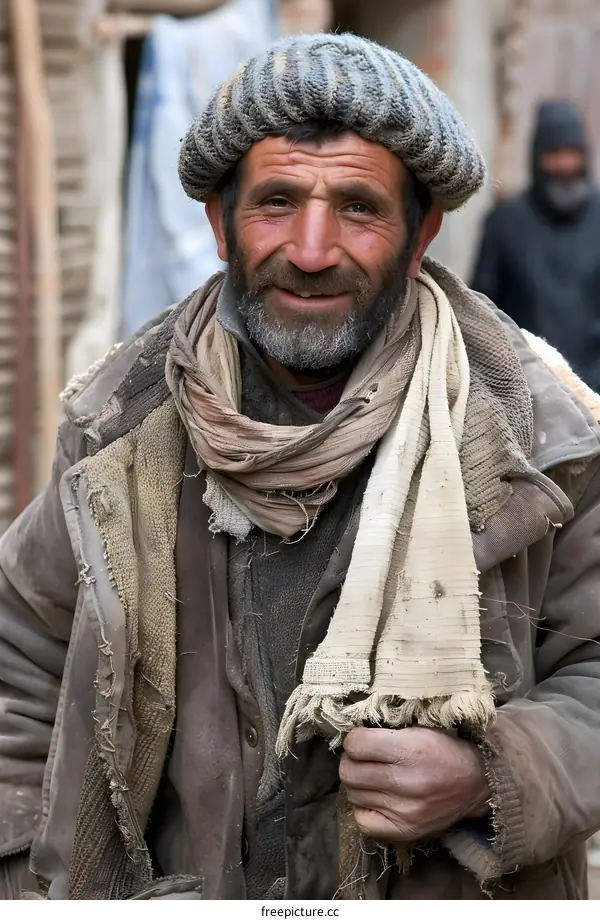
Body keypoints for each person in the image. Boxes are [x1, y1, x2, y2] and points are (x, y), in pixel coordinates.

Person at [1, 34, 600, 902]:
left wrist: (491, 775)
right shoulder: (119, 433)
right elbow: (17, 666)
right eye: (277, 202)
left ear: (421, 232)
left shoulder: (537, 440)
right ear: (219, 224)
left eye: (358, 207)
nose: (312, 249)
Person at [471, 99, 600, 392]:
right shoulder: (503, 224)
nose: (565, 165)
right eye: (554, 154)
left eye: (573, 154)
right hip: (529, 393)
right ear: (537, 157)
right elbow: (481, 314)